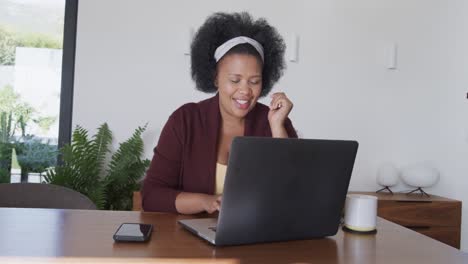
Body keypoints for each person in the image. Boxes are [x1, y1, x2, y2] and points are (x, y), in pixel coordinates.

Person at [142, 12, 298, 214]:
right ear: (215, 78)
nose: (245, 91)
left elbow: (294, 193)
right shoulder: (185, 120)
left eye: (254, 81)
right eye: (235, 80)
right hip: (189, 241)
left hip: (257, 240)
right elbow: (151, 196)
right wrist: (205, 202)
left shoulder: (276, 122)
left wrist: (277, 127)